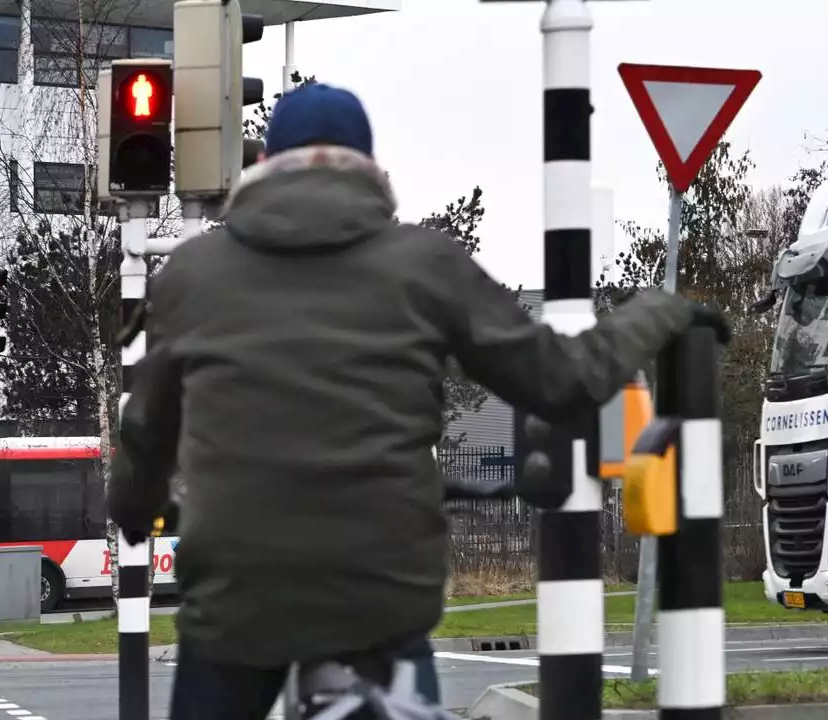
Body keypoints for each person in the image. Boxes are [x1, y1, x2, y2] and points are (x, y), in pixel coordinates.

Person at [105, 82, 728, 720]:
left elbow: (148, 430)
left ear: (262, 168)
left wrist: (136, 507)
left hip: (237, 596)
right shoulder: (423, 264)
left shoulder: (193, 272)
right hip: (382, 592)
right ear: (371, 171)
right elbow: (561, 379)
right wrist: (656, 311)